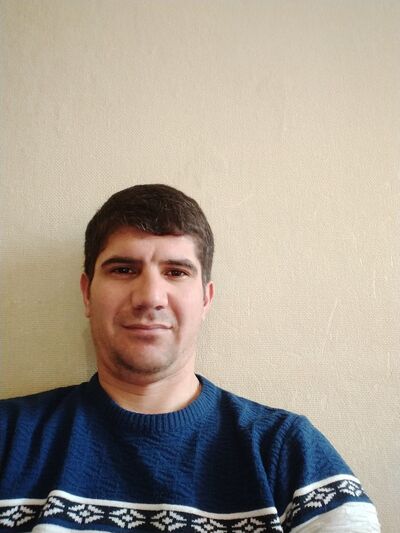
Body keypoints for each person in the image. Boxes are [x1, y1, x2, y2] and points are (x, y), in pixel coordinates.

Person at [0, 184, 380, 532]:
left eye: (176, 272)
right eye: (124, 269)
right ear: (87, 294)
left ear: (205, 299)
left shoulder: (287, 453)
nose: (150, 297)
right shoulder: (8, 438)